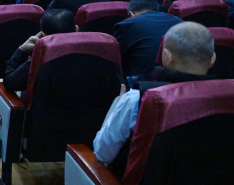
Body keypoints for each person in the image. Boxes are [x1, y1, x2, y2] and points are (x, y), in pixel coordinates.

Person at [93, 22, 216, 169]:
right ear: (213, 59)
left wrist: (116, 107)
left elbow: (103, 154)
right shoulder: (228, 96)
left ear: (167, 56)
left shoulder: (137, 99)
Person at [2, 9, 77, 92]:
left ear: (43, 35)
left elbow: (9, 83)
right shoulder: (87, 52)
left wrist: (22, 50)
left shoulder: (42, 58)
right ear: (76, 29)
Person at [113, 0, 183, 86]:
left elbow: (115, 58)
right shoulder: (178, 21)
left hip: (144, 84)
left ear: (131, 14)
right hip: (179, 81)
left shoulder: (126, 25)